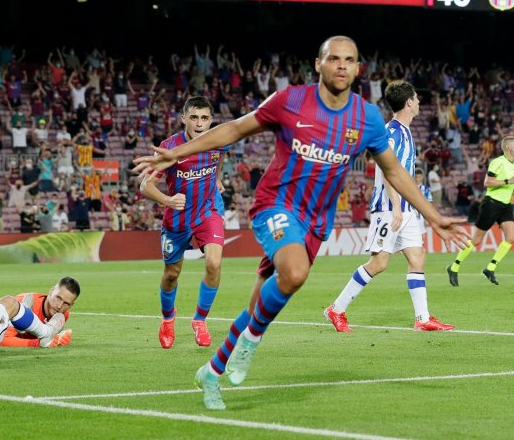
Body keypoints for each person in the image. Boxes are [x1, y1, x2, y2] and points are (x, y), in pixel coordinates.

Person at [133, 36, 468, 410]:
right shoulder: (290, 100)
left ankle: (211, 372)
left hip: (316, 220)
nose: (341, 65)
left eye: (349, 60)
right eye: (334, 58)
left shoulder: (367, 118)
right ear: (318, 64)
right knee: (294, 273)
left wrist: (434, 216)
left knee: (258, 304)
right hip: (274, 205)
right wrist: (176, 153)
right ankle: (251, 341)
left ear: (358, 69)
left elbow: (395, 171)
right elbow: (235, 129)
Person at [325, 81, 455, 333]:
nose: (419, 102)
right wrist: (396, 206)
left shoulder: (405, 131)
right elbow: (388, 171)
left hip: (406, 209)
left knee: (417, 257)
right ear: (409, 102)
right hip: (388, 208)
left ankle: (422, 318)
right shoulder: (392, 132)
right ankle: (336, 309)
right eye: (417, 98)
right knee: (379, 263)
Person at [139, 96, 227, 349]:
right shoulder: (170, 148)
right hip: (177, 218)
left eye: (205, 118)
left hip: (208, 211)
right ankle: (168, 318)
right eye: (194, 117)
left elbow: (219, 159)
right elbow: (145, 186)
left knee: (214, 263)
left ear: (211, 120)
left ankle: (200, 320)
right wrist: (167, 200)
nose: (199, 123)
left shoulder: (219, 140)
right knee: (171, 274)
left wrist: (216, 179)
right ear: (184, 119)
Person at [447, 137, 514, 286]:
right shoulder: (497, 162)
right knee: (476, 240)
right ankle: (454, 267)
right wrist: (507, 181)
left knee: (511, 237)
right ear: (509, 148)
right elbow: (487, 182)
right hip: (492, 203)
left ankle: (490, 268)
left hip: (506, 205)